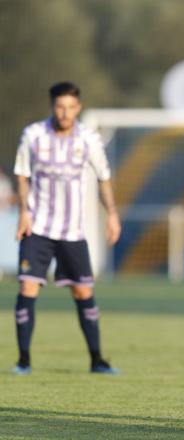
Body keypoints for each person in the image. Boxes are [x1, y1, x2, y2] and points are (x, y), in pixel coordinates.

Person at [12, 81, 122, 376]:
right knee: (27, 286)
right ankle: (23, 361)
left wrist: (112, 214)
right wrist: (23, 212)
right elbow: (22, 174)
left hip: (73, 230)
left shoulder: (88, 139)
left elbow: (103, 177)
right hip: (38, 226)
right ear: (52, 107)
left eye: (70, 107)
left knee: (84, 291)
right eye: (60, 107)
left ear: (78, 108)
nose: (65, 113)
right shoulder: (34, 135)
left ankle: (97, 359)